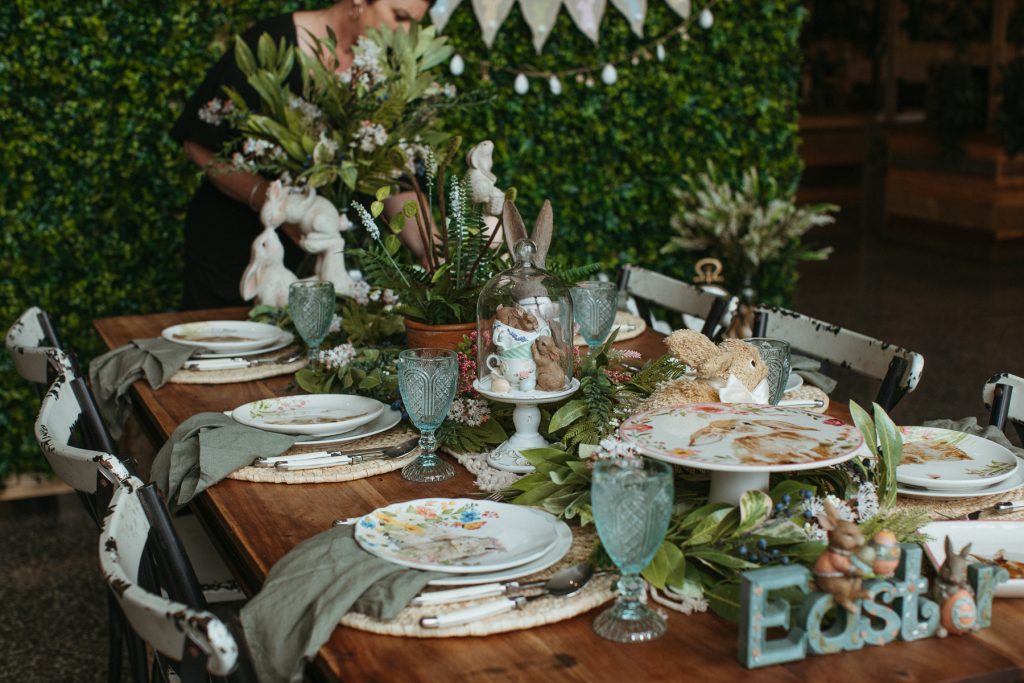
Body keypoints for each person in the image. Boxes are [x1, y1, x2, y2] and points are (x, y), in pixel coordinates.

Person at [172, 0, 431, 309]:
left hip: (330, 264)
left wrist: (433, 250)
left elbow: (396, 178)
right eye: (398, 16)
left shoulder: (392, 70)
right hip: (239, 255)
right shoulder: (271, 44)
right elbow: (198, 142)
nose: (403, 34)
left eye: (412, 24)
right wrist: (269, 199)